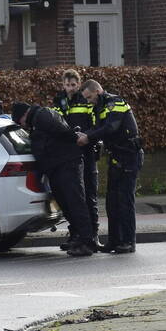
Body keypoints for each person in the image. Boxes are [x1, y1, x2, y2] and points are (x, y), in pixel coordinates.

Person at [11, 101, 94, 257]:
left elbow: (62, 131)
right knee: (67, 204)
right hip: (58, 166)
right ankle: (78, 238)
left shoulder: (42, 116)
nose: (22, 125)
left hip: (67, 164)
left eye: (20, 121)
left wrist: (73, 140)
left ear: (24, 115)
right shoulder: (38, 119)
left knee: (75, 203)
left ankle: (87, 242)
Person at [77, 79, 143, 254]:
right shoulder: (98, 107)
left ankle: (129, 242)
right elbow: (97, 127)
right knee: (112, 202)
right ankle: (114, 242)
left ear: (98, 91)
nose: (88, 101)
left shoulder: (116, 102)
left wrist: (88, 137)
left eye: (89, 97)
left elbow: (111, 127)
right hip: (115, 157)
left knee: (125, 201)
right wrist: (85, 134)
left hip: (129, 157)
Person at [50, 69, 100, 249]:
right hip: (68, 154)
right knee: (72, 197)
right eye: (67, 85)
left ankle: (93, 235)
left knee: (89, 195)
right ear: (62, 84)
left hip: (86, 151)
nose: (70, 88)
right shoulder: (59, 100)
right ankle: (76, 234)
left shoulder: (85, 100)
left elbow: (95, 122)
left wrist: (86, 136)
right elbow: (55, 123)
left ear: (79, 84)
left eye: (73, 85)